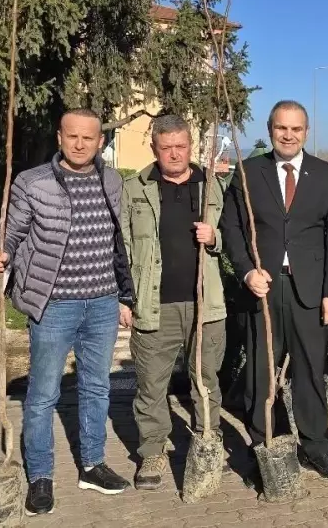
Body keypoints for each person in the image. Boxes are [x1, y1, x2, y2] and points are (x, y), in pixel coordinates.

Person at [0, 108, 134, 515]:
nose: (80, 144)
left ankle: (92, 464)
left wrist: (125, 296)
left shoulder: (112, 180)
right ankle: (41, 476)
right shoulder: (32, 182)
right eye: (73, 137)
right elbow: (6, 230)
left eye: (89, 137)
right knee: (43, 395)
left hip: (102, 304)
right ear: (60, 137)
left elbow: (120, 243)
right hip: (53, 307)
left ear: (101, 140)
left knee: (96, 388)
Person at [218, 100, 328, 482]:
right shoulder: (248, 173)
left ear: (306, 132)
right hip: (264, 288)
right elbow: (232, 230)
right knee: (261, 372)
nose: (288, 135)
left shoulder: (326, 175)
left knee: (310, 371)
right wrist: (245, 273)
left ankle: (315, 447)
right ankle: (266, 446)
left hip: (310, 292)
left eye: (295, 129)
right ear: (271, 129)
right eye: (281, 128)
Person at [120, 115, 227, 491]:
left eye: (180, 146)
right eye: (166, 147)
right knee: (151, 383)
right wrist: (124, 297)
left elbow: (237, 241)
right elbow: (123, 246)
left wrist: (214, 237)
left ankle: (207, 442)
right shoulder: (134, 187)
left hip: (205, 305)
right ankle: (152, 450)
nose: (174, 154)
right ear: (154, 148)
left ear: (191, 145)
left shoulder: (212, 186)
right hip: (153, 305)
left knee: (206, 380)